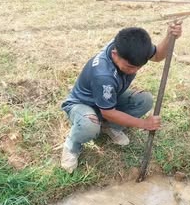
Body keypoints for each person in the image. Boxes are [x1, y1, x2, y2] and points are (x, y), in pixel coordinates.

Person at [61, 23, 182, 173]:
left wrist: (169, 37)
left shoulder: (132, 46)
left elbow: (157, 56)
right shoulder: (103, 74)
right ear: (114, 54)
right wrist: (144, 123)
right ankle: (72, 144)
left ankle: (110, 127)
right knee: (89, 125)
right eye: (130, 67)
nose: (134, 70)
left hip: (109, 98)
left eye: (139, 66)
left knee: (144, 100)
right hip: (83, 104)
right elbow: (108, 112)